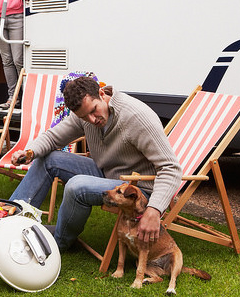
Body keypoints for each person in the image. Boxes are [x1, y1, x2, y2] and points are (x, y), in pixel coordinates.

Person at [9, 76, 182, 251]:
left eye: (94, 110)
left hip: (137, 188)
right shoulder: (85, 115)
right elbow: (53, 138)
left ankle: (58, 243)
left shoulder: (136, 117)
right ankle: (8, 221)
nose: (92, 120)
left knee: (77, 186)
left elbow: (171, 168)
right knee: (47, 158)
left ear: (101, 93)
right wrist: (30, 152)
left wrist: (154, 209)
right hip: (107, 173)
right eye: (84, 117)